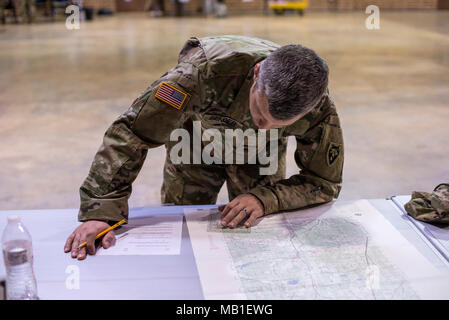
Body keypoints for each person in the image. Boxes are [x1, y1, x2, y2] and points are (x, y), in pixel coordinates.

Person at [64, 35, 344, 260]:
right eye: (260, 113)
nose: (262, 128)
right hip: (195, 142)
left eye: (277, 125)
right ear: (257, 73)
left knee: (259, 239)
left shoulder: (318, 106)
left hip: (261, 155)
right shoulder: (201, 73)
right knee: (183, 234)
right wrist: (102, 210)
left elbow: (323, 182)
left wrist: (266, 199)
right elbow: (131, 133)